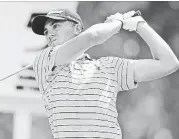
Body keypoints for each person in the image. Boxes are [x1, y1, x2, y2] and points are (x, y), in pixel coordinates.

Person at [31, 9, 179, 139]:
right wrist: (118, 22)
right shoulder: (45, 62)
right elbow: (93, 36)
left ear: (77, 28)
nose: (49, 34)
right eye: (46, 32)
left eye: (55, 26)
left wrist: (139, 24)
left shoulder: (108, 67)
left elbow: (169, 63)